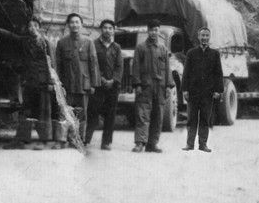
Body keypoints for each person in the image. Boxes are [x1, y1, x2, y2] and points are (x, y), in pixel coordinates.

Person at [0, 16, 58, 149]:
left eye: (35, 26)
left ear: (39, 28)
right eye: (30, 26)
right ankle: (21, 140)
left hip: (43, 82)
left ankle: (45, 141)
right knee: (25, 111)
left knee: (44, 111)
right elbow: (10, 36)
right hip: (29, 81)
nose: (32, 28)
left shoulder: (45, 43)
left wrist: (51, 82)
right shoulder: (25, 41)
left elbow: (51, 63)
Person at [55, 13, 100, 144]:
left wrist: (93, 84)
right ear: (68, 25)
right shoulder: (62, 43)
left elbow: (93, 63)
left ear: (81, 25)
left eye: (77, 22)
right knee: (65, 113)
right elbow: (58, 65)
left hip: (83, 84)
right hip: (67, 84)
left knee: (82, 114)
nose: (74, 25)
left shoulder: (88, 42)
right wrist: (58, 84)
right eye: (72, 22)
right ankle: (63, 140)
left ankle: (79, 139)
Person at [131, 19, 174, 153]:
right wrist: (137, 84)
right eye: (151, 30)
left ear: (158, 31)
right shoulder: (140, 48)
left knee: (158, 116)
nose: (154, 32)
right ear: (147, 31)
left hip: (160, 87)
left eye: (156, 30)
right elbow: (136, 67)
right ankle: (140, 143)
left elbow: (168, 68)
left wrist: (168, 86)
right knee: (142, 115)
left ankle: (152, 144)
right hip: (145, 87)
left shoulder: (163, 49)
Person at [181, 27, 223, 153]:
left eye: (206, 35)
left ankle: (203, 144)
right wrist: (185, 90)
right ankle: (189, 144)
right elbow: (186, 72)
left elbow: (218, 73)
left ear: (209, 37)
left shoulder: (215, 54)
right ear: (198, 37)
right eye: (202, 35)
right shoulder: (191, 53)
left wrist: (218, 90)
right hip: (193, 93)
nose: (204, 38)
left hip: (208, 93)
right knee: (191, 119)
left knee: (205, 119)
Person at [84, 19, 123, 150]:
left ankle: (106, 142)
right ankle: (86, 139)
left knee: (110, 115)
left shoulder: (116, 47)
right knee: (92, 113)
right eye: (105, 28)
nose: (107, 30)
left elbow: (119, 66)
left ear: (113, 31)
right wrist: (100, 79)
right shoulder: (93, 44)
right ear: (101, 29)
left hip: (112, 87)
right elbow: (92, 64)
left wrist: (113, 80)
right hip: (97, 86)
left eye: (110, 28)